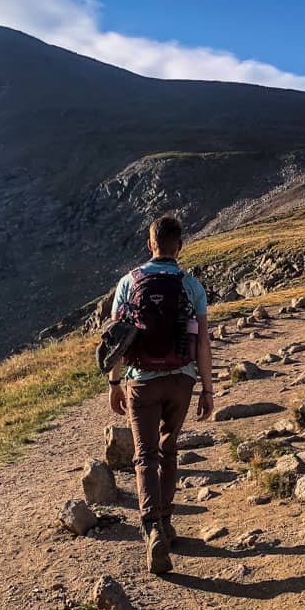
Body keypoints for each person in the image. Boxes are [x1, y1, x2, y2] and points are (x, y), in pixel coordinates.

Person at [107, 215, 213, 574]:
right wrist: (207, 388)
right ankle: (166, 523)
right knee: (169, 450)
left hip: (142, 381)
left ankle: (152, 527)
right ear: (178, 246)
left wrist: (114, 383)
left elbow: (117, 339)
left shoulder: (128, 283)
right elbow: (203, 342)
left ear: (150, 244)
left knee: (145, 455)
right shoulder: (191, 286)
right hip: (182, 380)